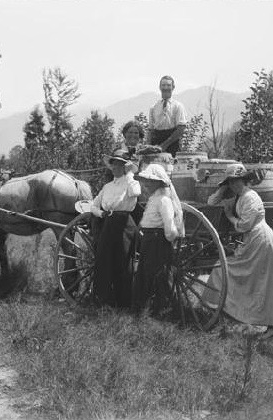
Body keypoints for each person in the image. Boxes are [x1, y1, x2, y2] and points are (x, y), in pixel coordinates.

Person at [204, 163, 273, 337]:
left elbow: (245, 225)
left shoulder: (250, 196)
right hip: (254, 240)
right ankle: (269, 321)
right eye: (231, 182)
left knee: (256, 277)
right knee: (264, 280)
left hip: (260, 239)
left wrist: (230, 216)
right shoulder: (239, 196)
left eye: (237, 181)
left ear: (244, 180)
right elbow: (210, 202)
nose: (234, 185)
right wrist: (223, 188)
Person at [90, 149, 141, 308]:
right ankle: (103, 301)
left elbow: (136, 193)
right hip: (109, 222)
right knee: (103, 260)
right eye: (113, 164)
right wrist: (100, 214)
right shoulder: (107, 187)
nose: (115, 167)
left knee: (124, 262)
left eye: (120, 164)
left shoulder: (131, 183)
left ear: (125, 167)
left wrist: (130, 175)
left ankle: (124, 303)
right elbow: (93, 205)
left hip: (125, 223)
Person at [132, 163, 185, 314]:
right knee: (145, 273)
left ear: (159, 182)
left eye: (151, 181)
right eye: (146, 181)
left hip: (158, 240)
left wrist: (167, 239)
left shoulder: (163, 200)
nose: (147, 184)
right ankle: (145, 307)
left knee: (159, 274)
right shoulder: (154, 199)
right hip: (149, 239)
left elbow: (170, 227)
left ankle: (163, 308)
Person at [148, 75, 187, 157]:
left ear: (173, 87)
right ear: (160, 87)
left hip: (173, 142)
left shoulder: (178, 106)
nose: (166, 88)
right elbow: (151, 130)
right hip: (156, 141)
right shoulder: (154, 107)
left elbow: (181, 128)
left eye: (168, 85)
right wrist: (148, 146)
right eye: (163, 85)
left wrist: (165, 144)